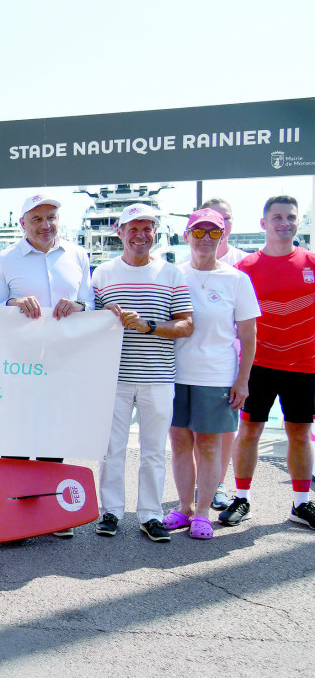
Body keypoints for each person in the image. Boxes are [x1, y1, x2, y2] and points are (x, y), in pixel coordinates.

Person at [0, 193, 91, 535]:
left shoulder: (78, 255)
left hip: (63, 361)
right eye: (37, 219)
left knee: (54, 434)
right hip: (19, 362)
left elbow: (90, 302)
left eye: (51, 217)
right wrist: (15, 303)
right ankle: (14, 513)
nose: (45, 225)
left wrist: (78, 306)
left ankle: (52, 513)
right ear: (22, 224)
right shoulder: (5, 259)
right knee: (16, 433)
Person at [91, 203, 193, 542]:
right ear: (119, 233)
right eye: (132, 228)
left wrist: (150, 327)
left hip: (158, 376)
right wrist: (103, 312)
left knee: (153, 450)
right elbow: (86, 322)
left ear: (155, 233)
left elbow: (187, 324)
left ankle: (150, 515)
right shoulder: (102, 274)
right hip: (112, 377)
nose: (140, 235)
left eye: (147, 228)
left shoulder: (171, 273)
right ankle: (111, 511)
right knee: (111, 448)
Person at [162, 209, 259, 540]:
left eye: (213, 233)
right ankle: (183, 509)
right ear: (186, 236)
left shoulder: (237, 280)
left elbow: (248, 335)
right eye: (198, 232)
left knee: (208, 446)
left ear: (223, 237)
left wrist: (242, 380)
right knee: (178, 443)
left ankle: (202, 511)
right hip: (175, 375)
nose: (205, 239)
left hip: (216, 375)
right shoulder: (173, 274)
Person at [224, 195, 315, 531]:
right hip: (258, 366)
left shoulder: (311, 262)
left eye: (290, 217)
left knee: (300, 435)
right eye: (277, 217)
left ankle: (301, 504)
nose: (284, 223)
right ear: (264, 224)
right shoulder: (245, 269)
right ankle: (241, 497)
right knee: (248, 432)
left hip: (305, 366)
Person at [196, 197, 248, 509]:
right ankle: (202, 485)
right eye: (214, 219)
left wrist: (245, 375)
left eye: (225, 218)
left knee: (225, 432)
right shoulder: (183, 263)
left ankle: (218, 484)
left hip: (233, 362)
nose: (221, 225)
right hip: (197, 363)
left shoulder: (244, 263)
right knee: (195, 432)